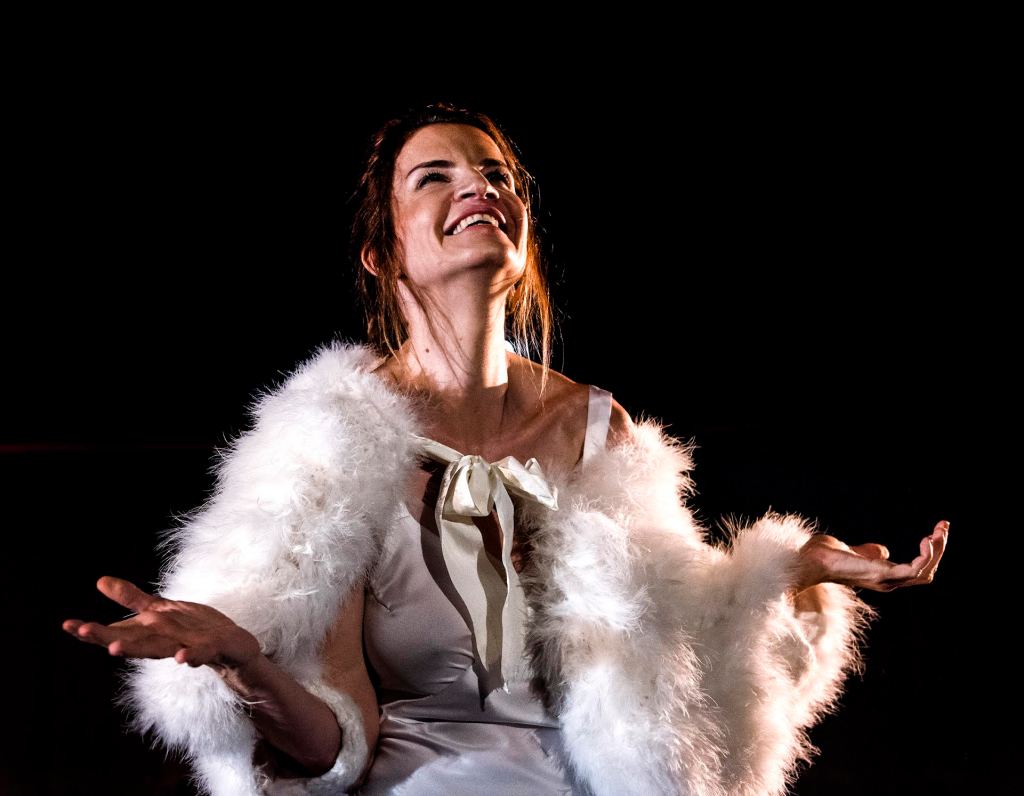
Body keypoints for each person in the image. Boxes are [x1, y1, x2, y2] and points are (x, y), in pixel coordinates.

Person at [62, 102, 949, 796]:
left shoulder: (599, 429)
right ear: (382, 253)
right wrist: (245, 660)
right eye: (435, 177)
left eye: (495, 174)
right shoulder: (333, 440)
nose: (479, 188)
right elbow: (334, 745)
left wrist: (791, 570)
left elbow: (680, 660)